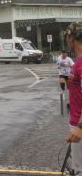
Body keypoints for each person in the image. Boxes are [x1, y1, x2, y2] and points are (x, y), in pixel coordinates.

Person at [63, 22, 82, 174]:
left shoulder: (81, 63)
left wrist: (79, 128)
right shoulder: (77, 63)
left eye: (66, 38)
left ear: (71, 38)